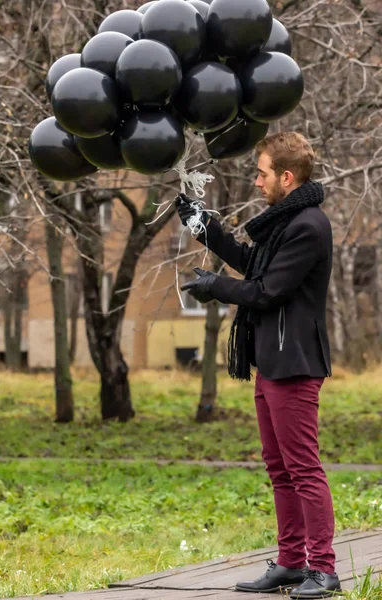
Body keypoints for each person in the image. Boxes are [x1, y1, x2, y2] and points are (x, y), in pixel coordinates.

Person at [176, 132, 341, 599]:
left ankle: (323, 569)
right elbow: (253, 265)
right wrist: (204, 228)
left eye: (262, 173)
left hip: (295, 364)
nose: (256, 181)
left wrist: (214, 287)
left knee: (303, 468)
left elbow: (268, 292)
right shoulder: (285, 223)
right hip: (272, 361)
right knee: (279, 468)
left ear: (287, 178)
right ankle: (291, 564)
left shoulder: (308, 225)